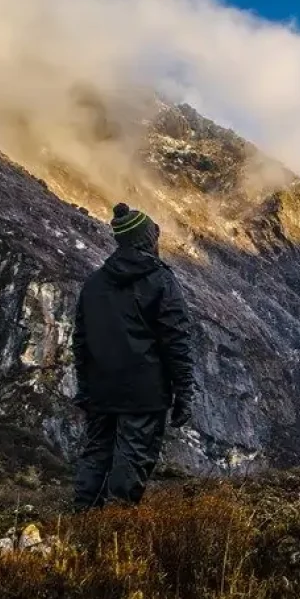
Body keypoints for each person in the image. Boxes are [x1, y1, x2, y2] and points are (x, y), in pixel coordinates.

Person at [70, 203, 196, 511]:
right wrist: (185, 394)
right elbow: (175, 340)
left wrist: (85, 388)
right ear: (145, 239)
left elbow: (81, 342)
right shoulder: (161, 281)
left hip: (101, 390)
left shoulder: (94, 283)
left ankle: (81, 522)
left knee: (97, 453)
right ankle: (115, 529)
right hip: (144, 393)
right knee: (133, 457)